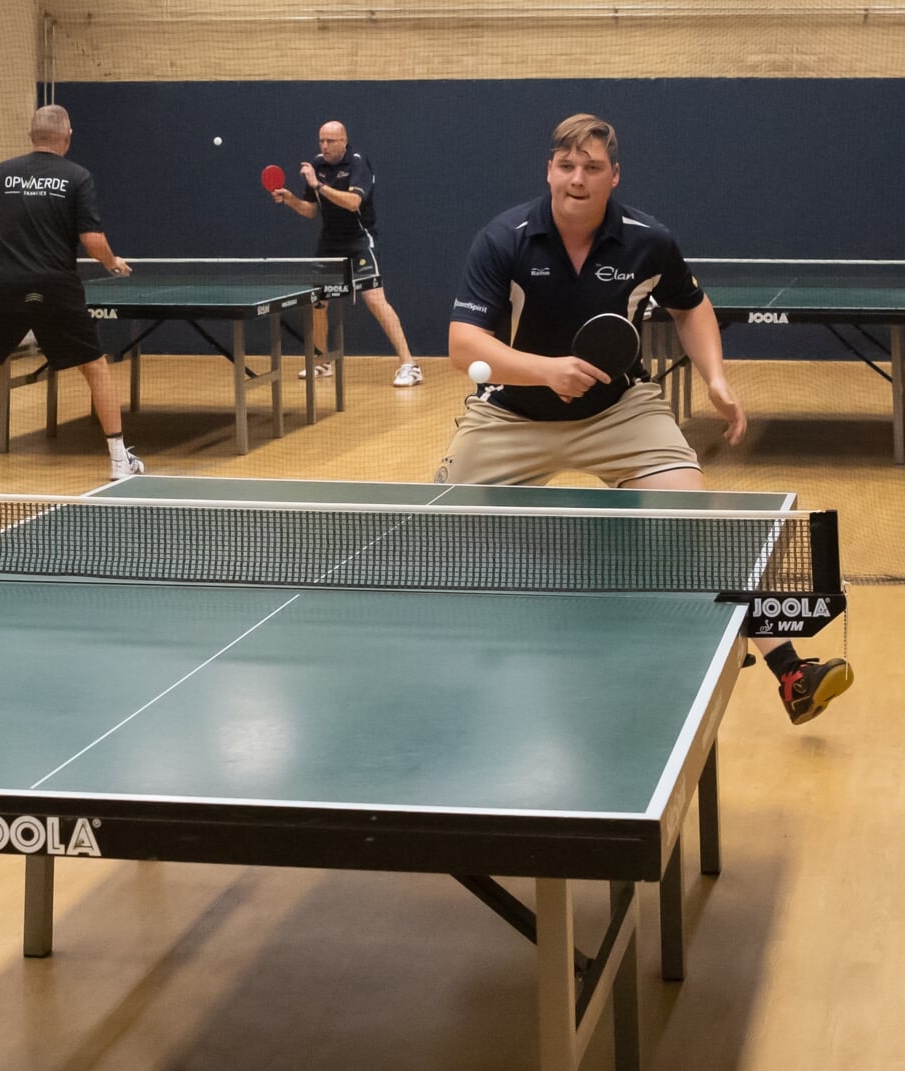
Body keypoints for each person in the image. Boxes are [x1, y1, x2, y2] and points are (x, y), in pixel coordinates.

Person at [440, 112, 852, 725]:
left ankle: (791, 671)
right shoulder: (504, 238)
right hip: (511, 416)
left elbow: (692, 305)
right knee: (435, 535)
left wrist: (714, 374)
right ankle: (448, 681)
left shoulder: (647, 239)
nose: (576, 178)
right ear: (548, 169)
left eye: (592, 168)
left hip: (618, 413)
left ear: (614, 176)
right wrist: (547, 370)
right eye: (566, 165)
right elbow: (462, 344)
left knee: (696, 522)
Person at [0, 104, 143, 485]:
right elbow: (92, 241)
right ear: (67, 136)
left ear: (31, 136)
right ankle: (117, 459)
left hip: (2, 286)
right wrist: (111, 261)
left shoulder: (0, 173)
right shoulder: (78, 177)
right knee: (95, 369)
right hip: (55, 286)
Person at [270, 120, 422, 388]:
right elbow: (310, 210)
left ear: (344, 141)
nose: (324, 146)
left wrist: (318, 186)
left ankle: (410, 364)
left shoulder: (358, 163)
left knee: (375, 299)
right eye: (321, 141)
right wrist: (290, 199)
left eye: (330, 141)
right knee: (318, 302)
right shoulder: (317, 165)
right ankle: (322, 361)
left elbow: (353, 203)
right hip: (330, 242)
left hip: (359, 240)